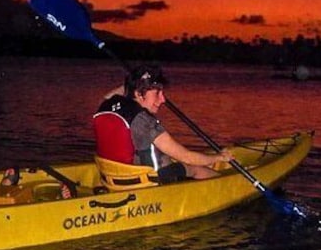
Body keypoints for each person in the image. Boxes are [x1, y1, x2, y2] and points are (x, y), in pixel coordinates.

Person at [92, 64, 233, 183]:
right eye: (157, 93)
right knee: (194, 168)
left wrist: (134, 82)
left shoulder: (105, 105)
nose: (163, 100)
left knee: (171, 158)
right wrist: (219, 157)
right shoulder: (144, 120)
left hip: (113, 175)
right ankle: (225, 186)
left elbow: (109, 95)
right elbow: (186, 156)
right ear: (139, 94)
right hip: (146, 179)